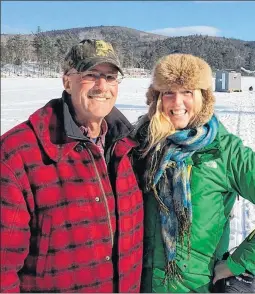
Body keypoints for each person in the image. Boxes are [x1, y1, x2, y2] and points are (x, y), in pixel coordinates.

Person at [133, 53, 255, 293]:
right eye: (168, 91)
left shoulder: (224, 151)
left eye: (188, 92)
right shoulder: (140, 146)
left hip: (196, 287)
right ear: (157, 98)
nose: (177, 102)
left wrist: (238, 263)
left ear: (203, 97)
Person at [0, 39, 143, 293]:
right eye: (91, 75)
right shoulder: (18, 154)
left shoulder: (128, 147)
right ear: (67, 81)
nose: (102, 86)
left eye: (110, 77)